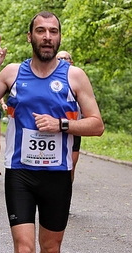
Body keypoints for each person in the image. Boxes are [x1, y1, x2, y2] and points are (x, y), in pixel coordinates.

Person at [0, 11, 104, 253]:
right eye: (41, 31)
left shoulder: (74, 76)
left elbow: (97, 125)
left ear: (59, 38)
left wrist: (60, 125)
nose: (47, 37)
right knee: (25, 252)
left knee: (50, 250)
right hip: (20, 173)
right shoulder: (12, 73)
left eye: (53, 31)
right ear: (30, 37)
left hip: (58, 175)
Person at [57, 50, 81, 182]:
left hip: (74, 124)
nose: (62, 61)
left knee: (70, 165)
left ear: (71, 62)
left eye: (65, 58)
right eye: (59, 58)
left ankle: (68, 182)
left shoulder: (79, 79)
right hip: (55, 126)